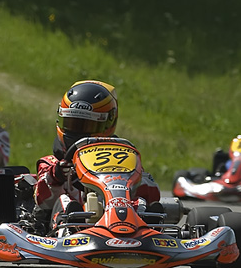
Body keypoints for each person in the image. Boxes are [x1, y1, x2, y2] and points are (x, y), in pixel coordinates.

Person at [30, 80, 161, 232]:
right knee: (65, 201)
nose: (78, 133)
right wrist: (57, 175)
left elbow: (152, 193)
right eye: (72, 124)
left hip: (119, 220)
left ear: (108, 123)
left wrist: (136, 179)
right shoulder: (52, 164)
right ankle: (70, 227)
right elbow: (41, 201)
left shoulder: (123, 158)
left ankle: (150, 227)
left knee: (141, 201)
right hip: (70, 231)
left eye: (87, 126)